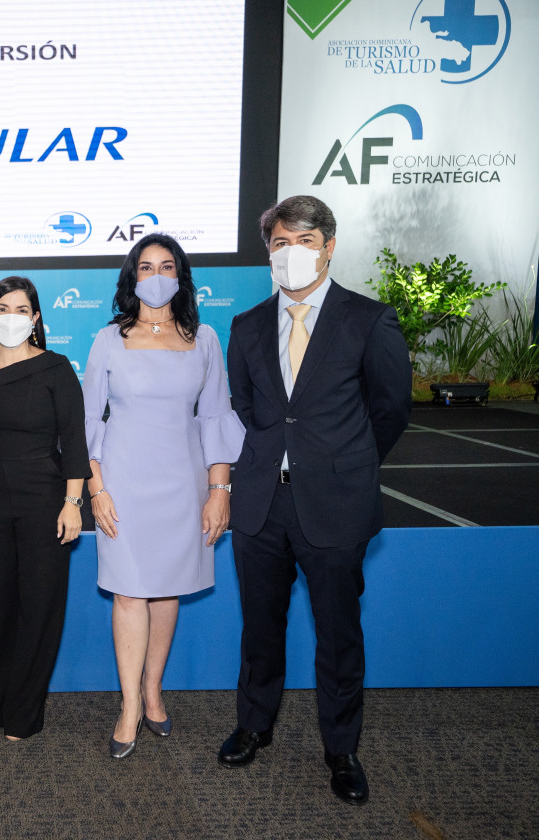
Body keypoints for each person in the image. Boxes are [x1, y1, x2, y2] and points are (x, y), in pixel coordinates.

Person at [218, 195, 411, 804]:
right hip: (259, 506)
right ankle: (254, 726)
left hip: (335, 502)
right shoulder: (247, 325)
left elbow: (390, 411)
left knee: (338, 632)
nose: (291, 252)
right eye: (280, 242)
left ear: (329, 245)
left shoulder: (368, 320)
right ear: (267, 252)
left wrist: (342, 465)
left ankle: (342, 747)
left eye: (304, 240)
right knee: (260, 628)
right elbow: (247, 409)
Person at [82, 233, 245, 759]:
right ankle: (129, 706)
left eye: (166, 265)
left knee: (167, 589)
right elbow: (87, 422)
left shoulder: (206, 339)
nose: (156, 275)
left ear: (181, 275)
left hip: (184, 482)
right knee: (130, 591)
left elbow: (216, 417)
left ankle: (153, 690)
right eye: (146, 266)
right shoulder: (109, 339)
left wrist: (219, 491)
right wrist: (96, 490)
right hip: (123, 483)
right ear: (132, 277)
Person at [0, 276, 89, 741]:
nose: (11, 316)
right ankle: (0, 702)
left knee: (40, 605)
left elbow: (74, 442)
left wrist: (73, 504)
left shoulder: (56, 368)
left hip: (44, 498)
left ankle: (24, 712)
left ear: (36, 319)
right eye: (2, 308)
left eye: (21, 309)